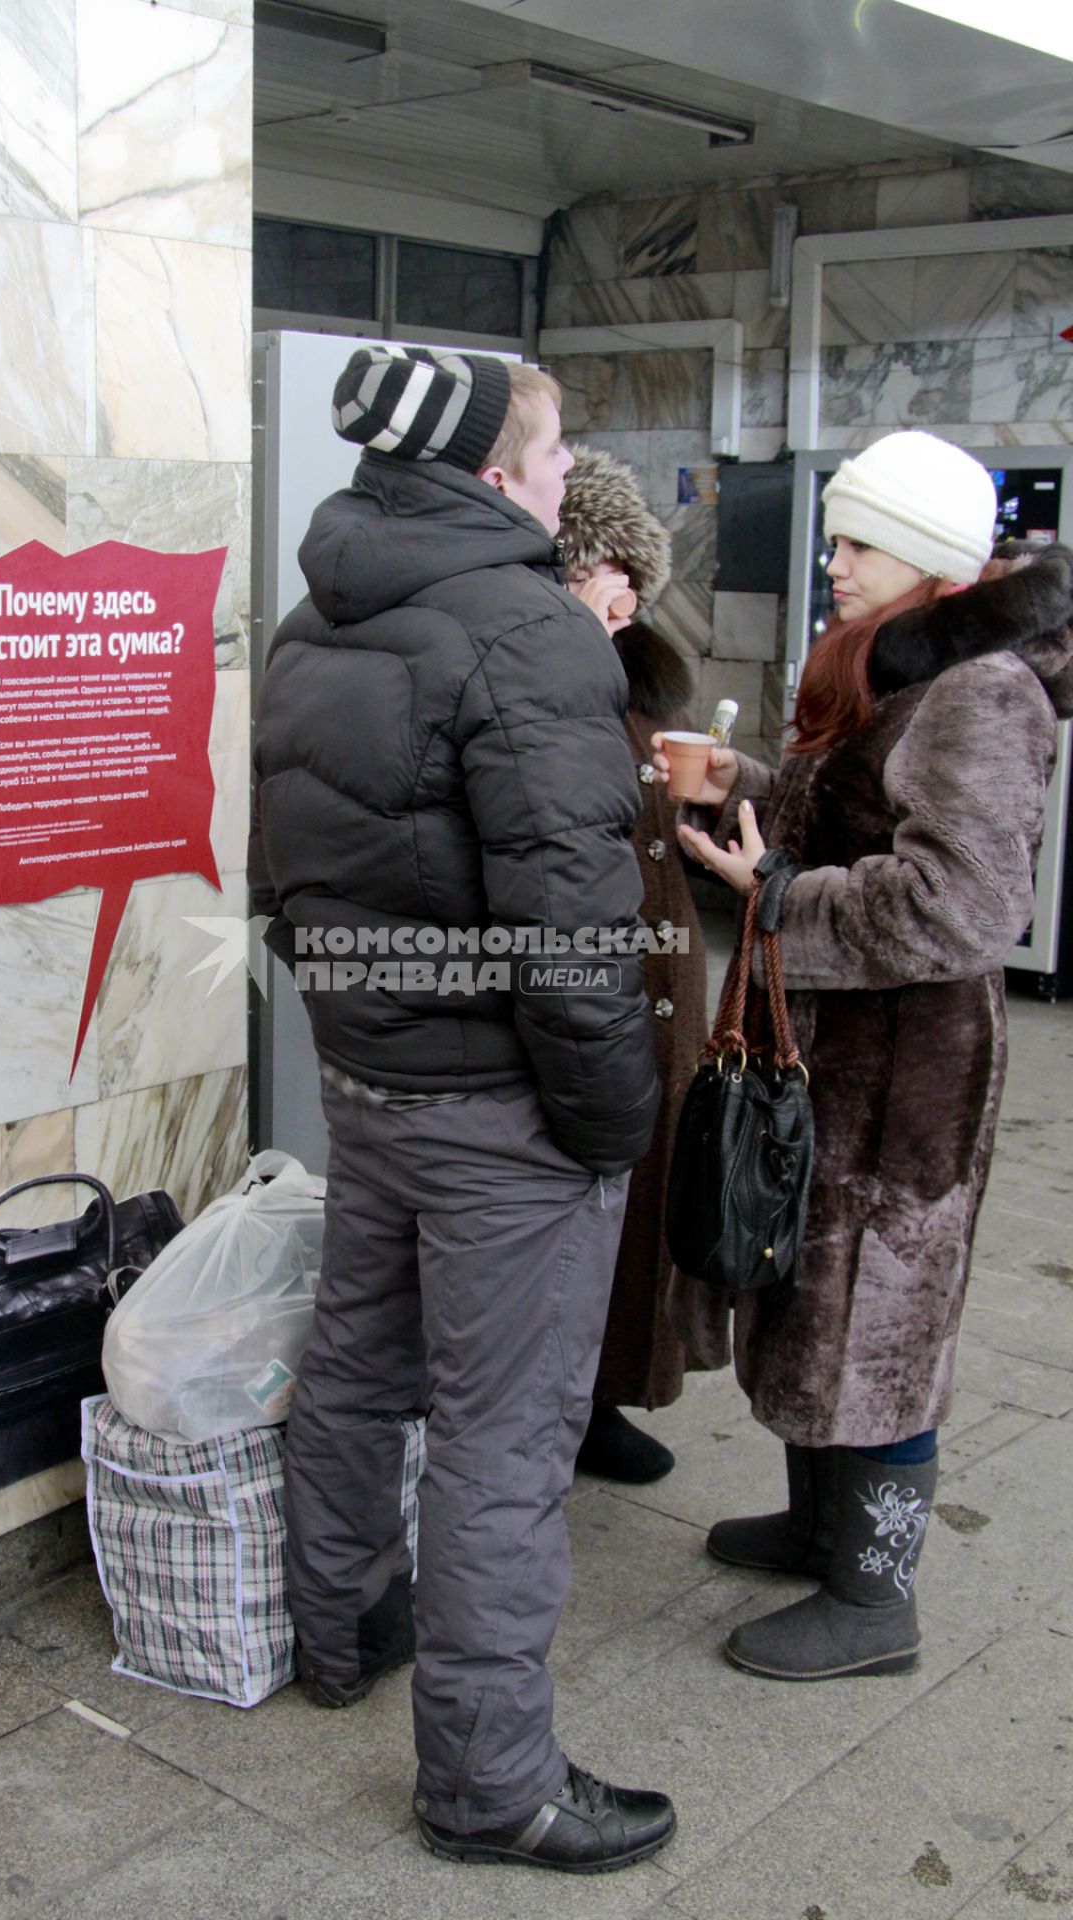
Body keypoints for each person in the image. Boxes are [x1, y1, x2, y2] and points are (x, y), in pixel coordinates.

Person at [248, 346, 676, 1870]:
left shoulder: (312, 620)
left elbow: (285, 891)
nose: (569, 485)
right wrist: (612, 1127)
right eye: (557, 458)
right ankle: (494, 1791)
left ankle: (340, 1631)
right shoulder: (531, 635)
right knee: (505, 1441)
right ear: (493, 471)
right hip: (502, 1114)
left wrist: (366, 1025)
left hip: (369, 1084)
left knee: (361, 1363)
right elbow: (579, 939)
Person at [658, 429, 1073, 1682]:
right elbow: (851, 815)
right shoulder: (893, 661)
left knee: (877, 1322)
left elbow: (958, 906)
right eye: (836, 537)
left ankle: (875, 1600)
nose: (831, 562)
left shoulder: (980, 691)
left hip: (906, 1068)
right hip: (825, 1044)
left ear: (931, 560)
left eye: (855, 542)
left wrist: (777, 898)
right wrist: (741, 781)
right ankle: (817, 1528)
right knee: (804, 1287)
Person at [558, 447, 708, 1483]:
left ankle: (606, 1391)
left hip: (663, 972)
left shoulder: (640, 665)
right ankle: (556, 1402)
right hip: (583, 975)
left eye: (628, 564)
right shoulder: (534, 667)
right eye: (598, 561)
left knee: (647, 1193)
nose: (620, 584)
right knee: (569, 1205)